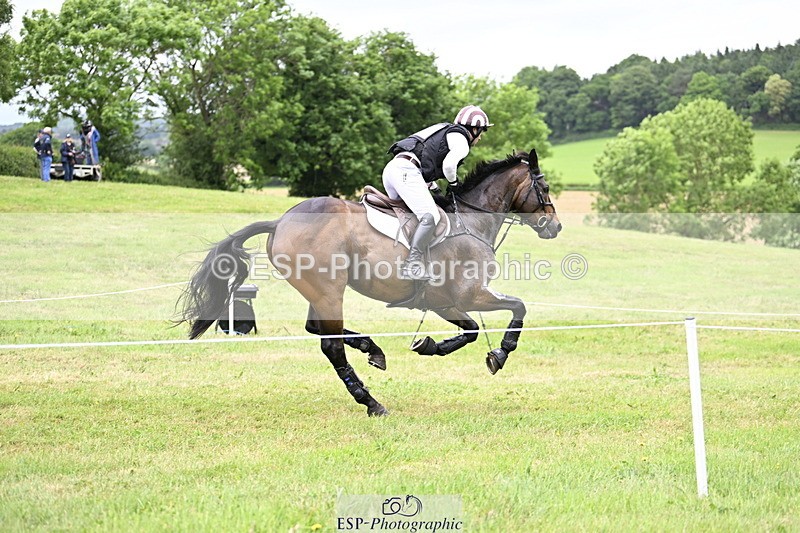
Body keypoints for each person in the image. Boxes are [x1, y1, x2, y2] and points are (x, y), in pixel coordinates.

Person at [383, 105, 492, 280]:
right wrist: (454, 184)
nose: (480, 138)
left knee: (409, 218)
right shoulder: (462, 140)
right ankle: (412, 265)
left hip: (394, 169)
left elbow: (424, 155)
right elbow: (449, 165)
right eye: (482, 132)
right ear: (474, 129)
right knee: (430, 217)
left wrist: (432, 185)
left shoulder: (445, 130)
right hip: (406, 171)